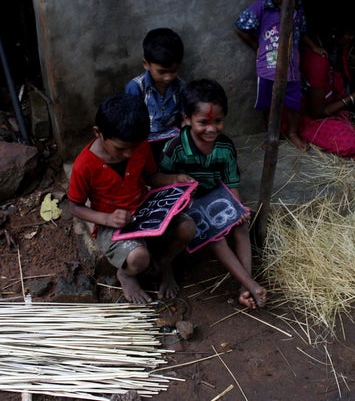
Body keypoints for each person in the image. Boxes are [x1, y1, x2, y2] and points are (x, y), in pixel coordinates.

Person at [67, 93, 196, 304]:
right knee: (138, 258)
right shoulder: (84, 165)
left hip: (147, 209)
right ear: (98, 133)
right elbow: (75, 207)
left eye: (134, 148)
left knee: (188, 228)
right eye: (120, 148)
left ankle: (165, 262)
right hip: (112, 223)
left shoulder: (140, 146)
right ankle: (126, 275)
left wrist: (177, 180)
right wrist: (107, 219)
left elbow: (152, 177)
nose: (128, 154)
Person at [160, 78, 267, 309]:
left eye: (218, 121)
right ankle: (250, 284)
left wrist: (237, 209)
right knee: (215, 236)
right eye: (203, 122)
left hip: (216, 198)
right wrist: (176, 179)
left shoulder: (225, 147)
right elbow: (155, 178)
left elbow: (231, 182)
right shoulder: (175, 147)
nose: (211, 128)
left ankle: (244, 286)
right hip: (186, 203)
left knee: (240, 225)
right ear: (186, 119)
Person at [234, 0, 324, 151]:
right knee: (268, 104)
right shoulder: (262, 8)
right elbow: (240, 26)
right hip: (267, 70)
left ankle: (291, 132)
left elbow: (301, 32)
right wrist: (256, 46)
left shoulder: (296, 9)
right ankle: (272, 135)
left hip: (292, 70)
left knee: (293, 103)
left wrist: (313, 46)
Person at [299, 26, 355, 158]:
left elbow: (341, 81)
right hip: (311, 116)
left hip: (328, 104)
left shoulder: (337, 50)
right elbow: (317, 113)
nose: (352, 38)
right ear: (334, 34)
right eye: (349, 34)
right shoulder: (318, 61)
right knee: (353, 144)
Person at [125, 27, 186, 163]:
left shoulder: (180, 87)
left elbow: (184, 118)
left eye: (174, 71)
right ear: (146, 64)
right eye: (162, 72)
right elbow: (132, 123)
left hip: (171, 138)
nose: (168, 77)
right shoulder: (136, 87)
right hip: (145, 141)